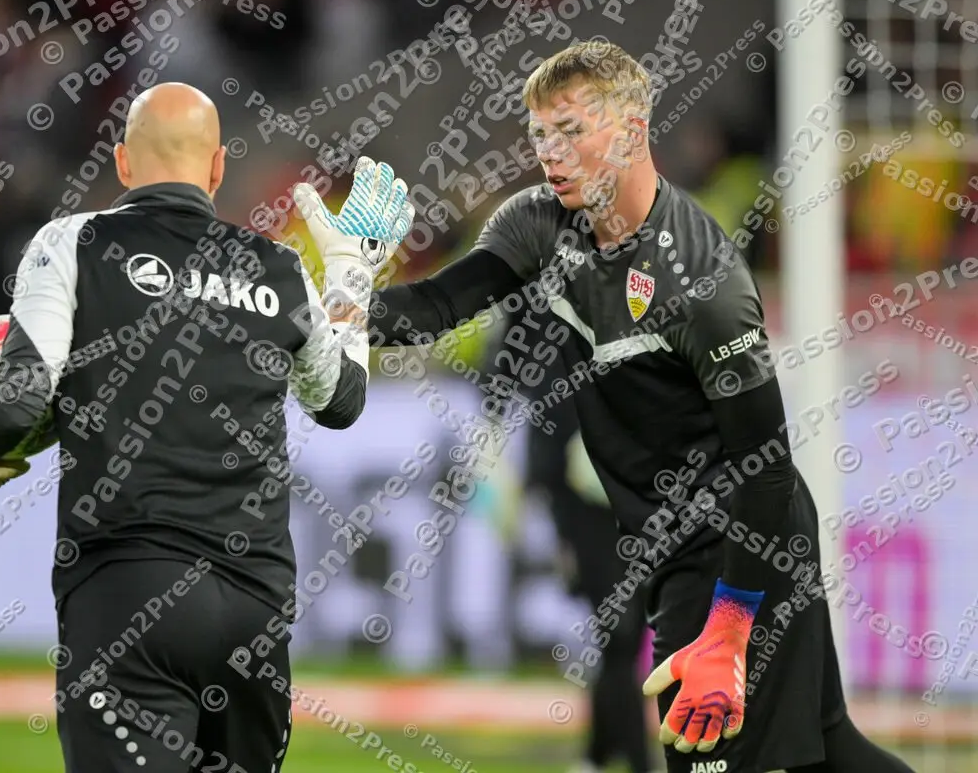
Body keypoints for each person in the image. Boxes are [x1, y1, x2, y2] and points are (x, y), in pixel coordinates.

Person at [368, 41, 914, 773]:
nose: (548, 154)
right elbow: (433, 309)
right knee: (831, 753)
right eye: (538, 135)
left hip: (739, 545)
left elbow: (766, 469)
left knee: (711, 760)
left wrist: (725, 628)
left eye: (570, 131)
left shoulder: (703, 279)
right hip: (669, 543)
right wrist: (335, 299)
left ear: (630, 130)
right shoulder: (537, 223)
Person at [0, 82, 413, 773]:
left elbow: (21, 401)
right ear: (216, 170)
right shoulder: (278, 270)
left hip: (129, 597)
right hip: (255, 611)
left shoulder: (74, 242)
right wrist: (351, 279)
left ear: (123, 164)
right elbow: (341, 402)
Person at [484, 302, 652, 773]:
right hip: (578, 491)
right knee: (619, 629)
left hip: (636, 484)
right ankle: (637, 763)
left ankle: (595, 756)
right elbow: (501, 376)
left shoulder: (635, 273)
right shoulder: (538, 284)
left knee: (625, 629)